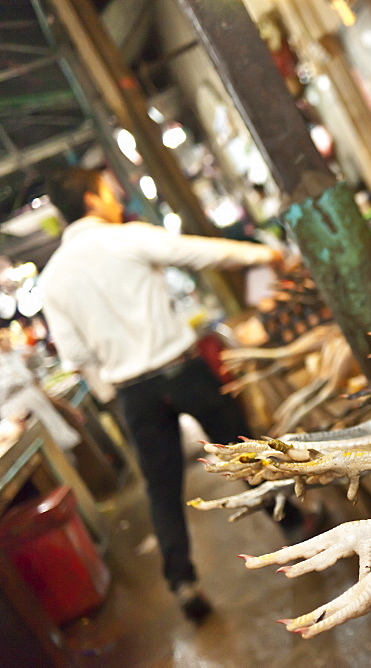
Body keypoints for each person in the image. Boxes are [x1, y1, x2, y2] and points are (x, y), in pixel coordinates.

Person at [38, 167, 295, 622]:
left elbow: (75, 354)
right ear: (91, 200)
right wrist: (265, 255)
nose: (116, 200)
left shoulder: (53, 278)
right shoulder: (126, 237)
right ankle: (290, 521)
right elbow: (196, 252)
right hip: (183, 371)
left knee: (162, 488)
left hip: (133, 393)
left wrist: (113, 384)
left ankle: (182, 581)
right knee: (242, 449)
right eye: (109, 192)